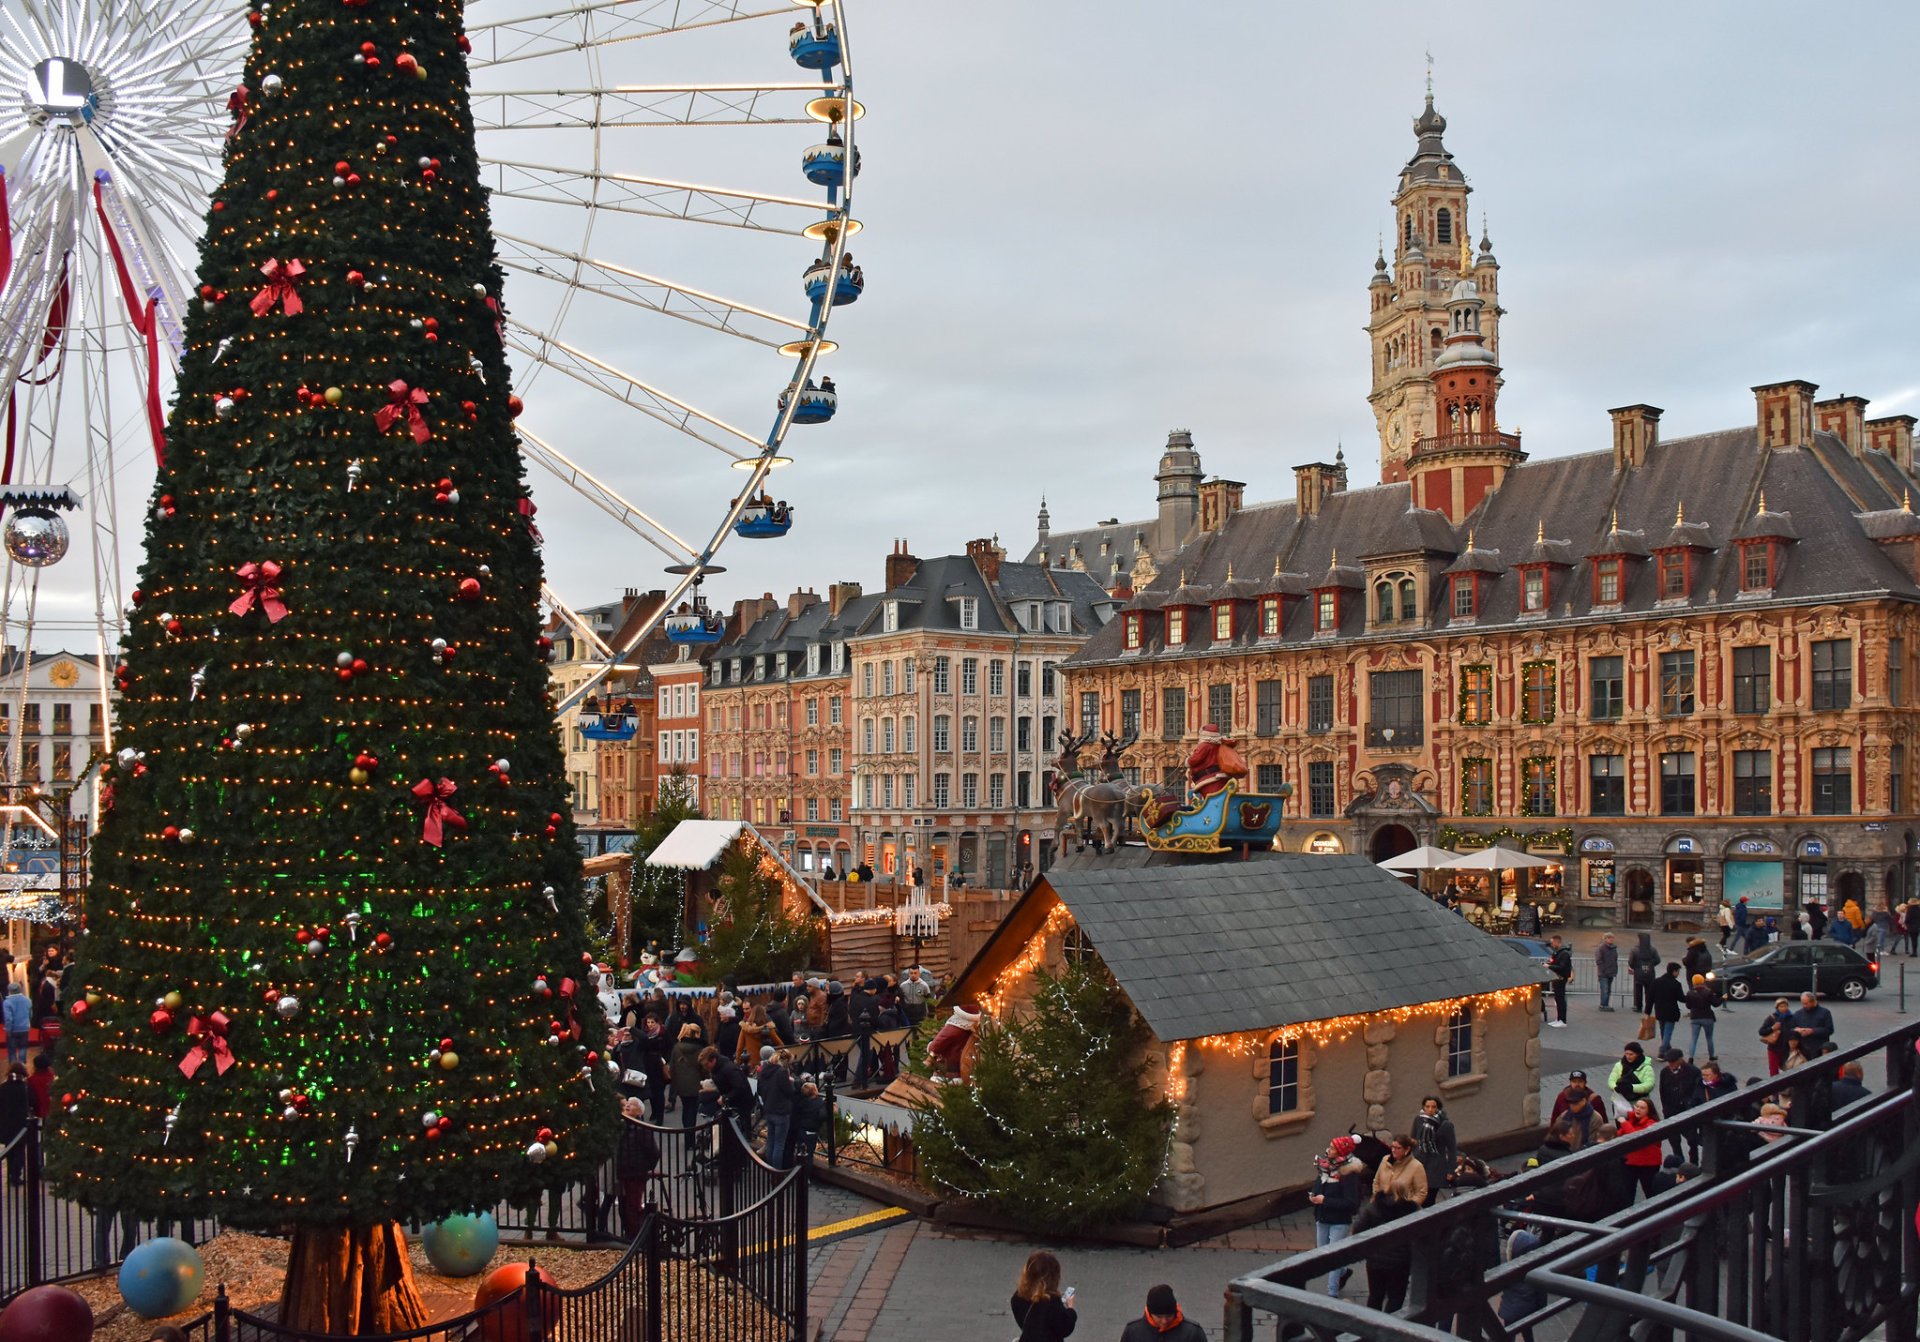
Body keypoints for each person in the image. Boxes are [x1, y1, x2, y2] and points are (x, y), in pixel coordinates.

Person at [1307, 1136, 1366, 1296]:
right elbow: (1318, 1184)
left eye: (1333, 1148)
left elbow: (1351, 1203)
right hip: (1322, 1217)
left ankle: (1332, 1293)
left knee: (1333, 1257)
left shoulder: (1349, 1175)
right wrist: (1315, 1195)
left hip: (1339, 1221)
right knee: (1323, 1255)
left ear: (1341, 1152)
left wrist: (1325, 1200)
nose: (1329, 1150)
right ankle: (1343, 1272)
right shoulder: (1326, 1166)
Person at [1352, 1192, 1419, 1310]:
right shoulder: (1410, 1210)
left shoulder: (1373, 1208)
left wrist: (1368, 1248)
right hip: (1400, 1262)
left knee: (1375, 1296)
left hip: (1375, 1260)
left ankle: (1371, 1325)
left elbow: (1357, 1229)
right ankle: (1389, 1324)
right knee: (1396, 1297)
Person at [615, 1098, 660, 1239]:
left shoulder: (642, 1129)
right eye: (627, 1103)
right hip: (623, 1171)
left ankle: (635, 1235)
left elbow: (653, 1151)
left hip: (635, 1172)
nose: (628, 1105)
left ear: (639, 1112)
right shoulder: (622, 1127)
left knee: (633, 1205)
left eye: (633, 1105)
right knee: (624, 1205)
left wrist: (645, 1168)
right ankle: (629, 1232)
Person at [1009, 1250, 1077, 1342]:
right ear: (1054, 1277)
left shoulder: (1018, 1297)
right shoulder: (1052, 1302)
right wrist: (1071, 1309)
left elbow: (1030, 1326)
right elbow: (1065, 1328)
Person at [1497, 1227, 1546, 1342]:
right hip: (1528, 1310)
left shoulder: (1508, 1269)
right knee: (1527, 1331)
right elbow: (1541, 1294)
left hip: (1510, 1310)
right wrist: (1541, 1308)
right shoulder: (1536, 1272)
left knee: (1508, 1334)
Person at [1655, 1047, 1703, 1160]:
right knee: (1674, 1140)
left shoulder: (1693, 1071)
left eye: (1673, 1062)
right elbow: (1662, 1092)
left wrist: (1690, 1103)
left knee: (1692, 1139)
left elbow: (1697, 1091)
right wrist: (1665, 1109)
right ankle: (1679, 1161)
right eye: (1669, 1062)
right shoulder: (1665, 1072)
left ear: (1680, 1060)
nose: (1671, 1064)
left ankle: (1693, 1162)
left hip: (1687, 1111)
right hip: (1671, 1110)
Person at [1118, 1284, 1205, 1342]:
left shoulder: (1192, 1332)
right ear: (1150, 1312)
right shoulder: (1132, 1332)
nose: (1164, 1321)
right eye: (1159, 1317)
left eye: (1169, 1316)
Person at [1410, 1097, 1456, 1205]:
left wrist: (1450, 1170)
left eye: (1433, 1107)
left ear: (1438, 1108)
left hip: (1435, 1165)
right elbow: (1413, 1139)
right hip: (1420, 1161)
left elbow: (1451, 1148)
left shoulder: (1445, 1125)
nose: (1430, 1109)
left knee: (1429, 1198)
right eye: (1427, 1106)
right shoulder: (1419, 1119)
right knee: (1418, 1194)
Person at [1616, 1098, 1664, 1198]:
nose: (1638, 1109)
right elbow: (1619, 1135)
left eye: (1642, 1108)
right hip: (1631, 1162)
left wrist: (1624, 1123)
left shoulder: (1651, 1124)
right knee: (1627, 1192)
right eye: (1637, 1106)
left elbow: (1637, 1138)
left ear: (1648, 1111)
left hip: (1648, 1164)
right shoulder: (1632, 1120)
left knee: (1650, 1191)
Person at [757, 1048, 796, 1169]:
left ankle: (770, 1169)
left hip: (769, 1110)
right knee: (779, 1145)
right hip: (781, 1111)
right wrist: (792, 1082)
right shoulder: (782, 1072)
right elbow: (790, 1092)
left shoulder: (764, 1070)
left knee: (771, 1142)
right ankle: (777, 1173)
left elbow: (759, 1090)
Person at [1184, 722, 1242, 801]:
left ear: (1204, 734)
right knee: (1221, 798)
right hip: (1219, 776)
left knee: (1212, 799)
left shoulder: (1205, 745)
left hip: (1209, 778)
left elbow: (1195, 759)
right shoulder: (1219, 745)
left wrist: (1187, 761)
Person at [697, 1046, 754, 1119]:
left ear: (713, 1060)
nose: (705, 1067)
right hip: (733, 1103)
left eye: (706, 1064)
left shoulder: (728, 1069)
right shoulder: (717, 1069)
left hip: (741, 1106)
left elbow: (740, 1087)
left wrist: (725, 1097)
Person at [667, 1023, 705, 1133]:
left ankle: (686, 1131)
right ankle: (691, 1136)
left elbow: (672, 1067)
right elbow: (703, 1068)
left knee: (686, 1108)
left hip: (681, 1084)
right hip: (696, 1083)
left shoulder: (677, 1047)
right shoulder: (700, 1049)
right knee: (692, 1110)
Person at [1372, 1133, 1428, 1205]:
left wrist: (1408, 1208)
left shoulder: (1417, 1166)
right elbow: (1376, 1181)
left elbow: (1421, 1192)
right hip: (1382, 1207)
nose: (1393, 1150)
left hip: (1403, 1210)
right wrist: (1377, 1199)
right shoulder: (1385, 1159)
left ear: (1407, 1149)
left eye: (1398, 1148)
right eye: (1392, 1147)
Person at [0, 1061, 28, 1185]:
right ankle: (16, 1174)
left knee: (9, 1149)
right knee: (20, 1150)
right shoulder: (24, 1088)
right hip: (20, 1124)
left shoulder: (3, 1088)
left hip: (5, 1123)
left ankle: (11, 1172)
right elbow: (31, 1103)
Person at [1608, 1042, 1655, 1114]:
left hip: (1639, 1104)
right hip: (1620, 1103)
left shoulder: (1647, 1068)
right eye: (1626, 1054)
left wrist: (1631, 1088)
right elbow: (1611, 1080)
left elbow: (1649, 1085)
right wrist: (1616, 1088)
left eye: (1631, 1054)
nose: (1628, 1057)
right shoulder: (1619, 1065)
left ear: (1638, 1054)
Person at [1649, 962, 1686, 1051]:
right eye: (1678, 972)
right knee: (1668, 1033)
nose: (1678, 974)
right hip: (1671, 1012)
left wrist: (1647, 1011)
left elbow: (1650, 998)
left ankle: (1667, 1048)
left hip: (1659, 1010)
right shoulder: (1676, 984)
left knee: (1663, 1031)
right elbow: (1681, 998)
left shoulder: (1656, 982)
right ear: (1674, 971)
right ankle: (1662, 1051)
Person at [1787, 990, 1835, 1055]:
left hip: (1819, 1048)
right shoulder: (1798, 1014)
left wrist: (1812, 1031)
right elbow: (1791, 1029)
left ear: (1813, 1001)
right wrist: (1797, 1031)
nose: (1804, 1006)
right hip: (1803, 1049)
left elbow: (1829, 1030)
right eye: (1803, 1003)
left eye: (1806, 1003)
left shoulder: (1825, 1013)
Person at [1684, 974, 1719, 1062]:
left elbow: (1688, 1006)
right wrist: (1722, 998)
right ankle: (1711, 1056)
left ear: (1693, 982)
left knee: (1694, 1038)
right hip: (1707, 1017)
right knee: (1709, 1037)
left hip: (1695, 1017)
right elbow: (1715, 1004)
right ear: (1702, 981)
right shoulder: (1708, 992)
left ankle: (1691, 1057)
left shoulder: (1690, 993)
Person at [793, 1079, 828, 1163]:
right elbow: (822, 1116)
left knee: (800, 1151)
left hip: (801, 1129)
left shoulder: (800, 1101)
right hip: (812, 1131)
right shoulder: (819, 1103)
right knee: (809, 1154)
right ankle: (806, 1174)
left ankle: (798, 1171)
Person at [1542, 935, 1572, 1027]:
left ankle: (1562, 1020)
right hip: (1558, 977)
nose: (1551, 945)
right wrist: (1549, 963)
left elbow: (1562, 967)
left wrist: (1549, 966)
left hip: (1561, 977)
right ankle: (1559, 1019)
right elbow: (1556, 963)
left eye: (1552, 943)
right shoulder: (1559, 952)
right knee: (1558, 999)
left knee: (1560, 999)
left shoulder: (1564, 953)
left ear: (1556, 942)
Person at [1628, 934, 1661, 1015]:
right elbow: (1658, 960)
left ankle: (1638, 1006)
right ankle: (1648, 1007)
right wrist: (1651, 964)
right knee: (1649, 991)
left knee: (1638, 990)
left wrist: (1634, 966)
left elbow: (1631, 961)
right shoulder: (1653, 949)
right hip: (1650, 973)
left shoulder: (1634, 950)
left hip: (1638, 972)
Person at [2, 982, 28, 1065]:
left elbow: (8, 1018)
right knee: (23, 1048)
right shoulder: (27, 1000)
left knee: (12, 1050)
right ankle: (22, 1066)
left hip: (13, 1029)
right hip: (24, 1027)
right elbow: (30, 1014)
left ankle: (14, 1069)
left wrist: (8, 1030)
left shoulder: (7, 1002)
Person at [1594, 934, 1619, 1012]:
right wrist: (1603, 969)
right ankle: (1603, 1005)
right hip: (1603, 973)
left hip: (1611, 972)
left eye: (1612, 938)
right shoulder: (1601, 948)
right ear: (1605, 939)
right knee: (1604, 989)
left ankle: (1606, 1004)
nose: (1611, 939)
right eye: (1609, 938)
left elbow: (1615, 959)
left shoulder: (1614, 948)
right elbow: (1599, 960)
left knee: (1608, 989)